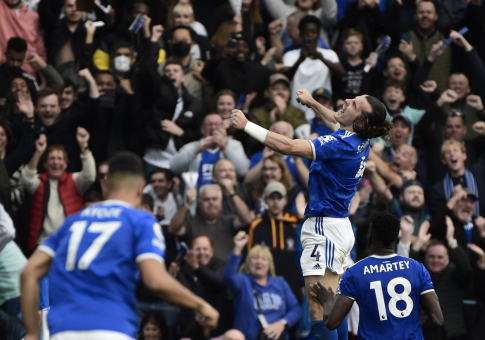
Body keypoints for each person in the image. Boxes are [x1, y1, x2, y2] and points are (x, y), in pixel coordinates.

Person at [230, 89, 392, 340]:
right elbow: (336, 121)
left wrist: (247, 125)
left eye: (354, 104)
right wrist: (313, 103)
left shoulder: (341, 144)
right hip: (338, 228)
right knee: (332, 305)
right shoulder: (360, 138)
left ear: (360, 121)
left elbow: (288, 146)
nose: (346, 100)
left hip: (324, 229)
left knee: (319, 310)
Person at [20, 152, 219, 340]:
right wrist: (200, 305)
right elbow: (155, 280)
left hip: (62, 330)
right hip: (111, 328)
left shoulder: (71, 222)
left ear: (105, 187)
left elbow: (29, 273)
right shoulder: (140, 221)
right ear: (141, 188)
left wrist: (32, 333)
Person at [308, 211, 444, 339]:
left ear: (369, 237)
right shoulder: (417, 268)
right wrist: (415, 334)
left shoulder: (354, 273)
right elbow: (437, 319)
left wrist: (327, 302)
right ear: (397, 239)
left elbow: (332, 323)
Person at [20, 129, 96, 253]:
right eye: (51, 159)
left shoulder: (75, 181)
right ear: (45, 164)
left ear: (66, 164)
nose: (56, 162)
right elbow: (26, 179)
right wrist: (38, 153)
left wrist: (83, 146)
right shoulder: (39, 181)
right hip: (43, 244)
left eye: (60, 159)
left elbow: (90, 175)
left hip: (69, 242)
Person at [223, 231, 301, 340]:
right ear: (248, 263)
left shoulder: (280, 282)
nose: (259, 262)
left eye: (264, 259)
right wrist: (238, 248)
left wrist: (281, 324)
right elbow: (228, 277)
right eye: (254, 258)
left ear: (270, 264)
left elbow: (296, 309)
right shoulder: (242, 281)